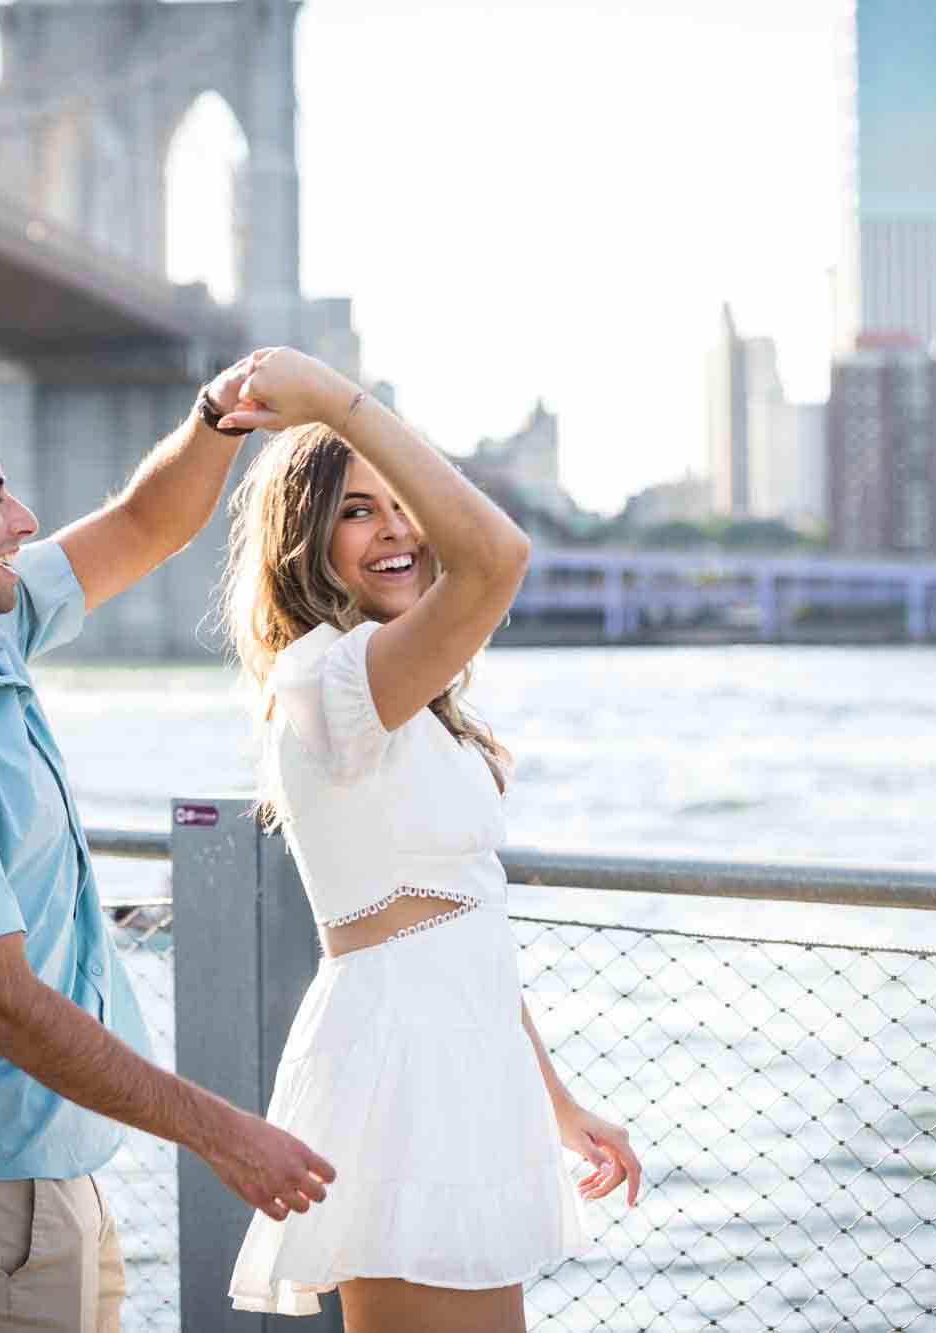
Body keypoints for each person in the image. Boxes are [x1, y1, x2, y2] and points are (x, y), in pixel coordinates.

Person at [0, 353, 333, 1331]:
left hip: (37, 1169)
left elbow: (143, 524)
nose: (25, 523)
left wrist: (215, 418)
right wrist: (224, 1134)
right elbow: (4, 1007)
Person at [216, 349, 642, 1332]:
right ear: (303, 540)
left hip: (465, 1049)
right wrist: (336, 403)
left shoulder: (408, 698)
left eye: (400, 500)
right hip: (403, 1065)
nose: (396, 526)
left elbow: (460, 915)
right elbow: (498, 558)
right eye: (357, 509)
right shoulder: (328, 680)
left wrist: (556, 1100)